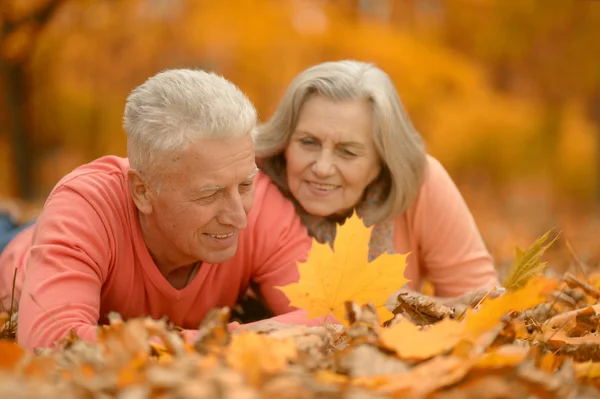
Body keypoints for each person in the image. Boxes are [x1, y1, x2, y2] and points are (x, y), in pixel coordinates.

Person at [0, 68, 324, 352]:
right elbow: (51, 342)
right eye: (209, 194)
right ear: (142, 191)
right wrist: (233, 339)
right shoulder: (85, 205)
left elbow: (328, 312)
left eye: (244, 186)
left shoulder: (264, 206)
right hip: (15, 249)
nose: (239, 218)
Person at [253, 60, 501, 307]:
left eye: (348, 152)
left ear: (383, 160)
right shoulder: (249, 184)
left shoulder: (421, 182)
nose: (322, 167)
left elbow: (481, 304)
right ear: (284, 140)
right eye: (308, 142)